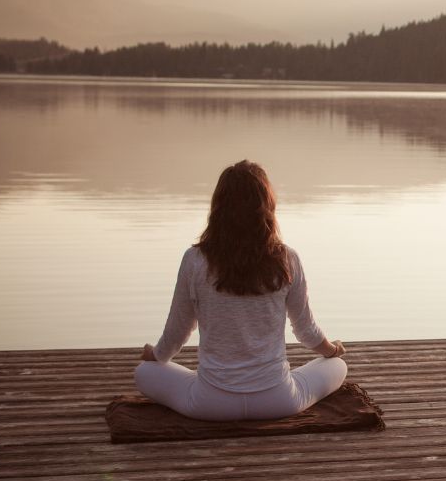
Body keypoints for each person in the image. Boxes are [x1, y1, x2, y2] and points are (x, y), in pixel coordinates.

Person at [134, 160, 347, 421]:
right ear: (267, 207)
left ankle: (205, 383)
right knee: (337, 366)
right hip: (278, 400)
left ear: (218, 208)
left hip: (211, 404)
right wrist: (332, 350)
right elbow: (305, 330)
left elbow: (178, 330)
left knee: (144, 372)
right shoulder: (287, 259)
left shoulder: (195, 259)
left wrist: (155, 355)